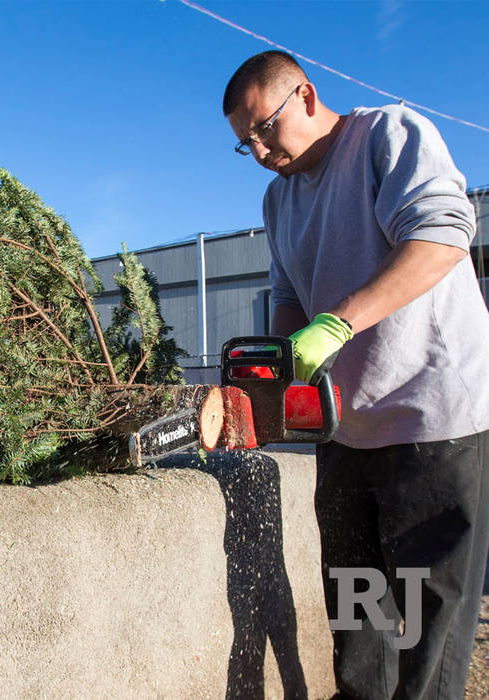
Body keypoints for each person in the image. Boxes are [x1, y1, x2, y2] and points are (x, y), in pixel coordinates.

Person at [222, 50, 489, 699]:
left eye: (264, 128)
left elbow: (443, 236)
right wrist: (273, 376)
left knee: (430, 622)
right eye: (243, 143)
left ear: (306, 97)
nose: (258, 149)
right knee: (356, 608)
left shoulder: (387, 136)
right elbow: (287, 296)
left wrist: (338, 323)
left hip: (435, 422)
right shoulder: (277, 198)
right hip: (345, 430)